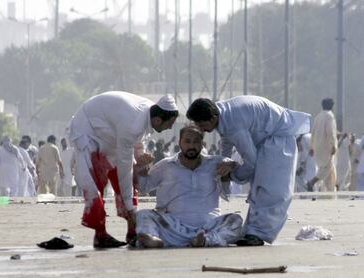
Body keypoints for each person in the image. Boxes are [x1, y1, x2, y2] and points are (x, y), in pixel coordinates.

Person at [186, 96, 310, 246]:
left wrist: (231, 175)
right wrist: (222, 162)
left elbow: (251, 162)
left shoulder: (232, 123)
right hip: (267, 139)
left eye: (201, 124)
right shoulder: (219, 111)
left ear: (212, 118)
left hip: (278, 141)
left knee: (270, 191)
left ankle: (258, 234)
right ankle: (253, 232)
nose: (200, 128)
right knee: (259, 189)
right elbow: (226, 141)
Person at [68, 91, 178, 248]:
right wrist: (130, 207)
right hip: (88, 129)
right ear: (158, 119)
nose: (170, 128)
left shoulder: (146, 114)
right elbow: (124, 168)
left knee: (131, 180)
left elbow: (137, 143)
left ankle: (132, 231)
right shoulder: (133, 124)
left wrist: (141, 160)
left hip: (110, 133)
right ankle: (100, 234)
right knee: (95, 184)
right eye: (170, 124)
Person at [135, 125, 243, 248]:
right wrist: (141, 170)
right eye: (187, 141)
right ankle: (153, 239)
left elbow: (239, 168)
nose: (191, 146)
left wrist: (232, 165)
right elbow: (144, 188)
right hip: (173, 227)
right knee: (143, 214)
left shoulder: (215, 163)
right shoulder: (165, 166)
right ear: (179, 143)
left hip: (207, 227)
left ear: (202, 144)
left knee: (235, 220)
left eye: (196, 142)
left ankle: (205, 241)